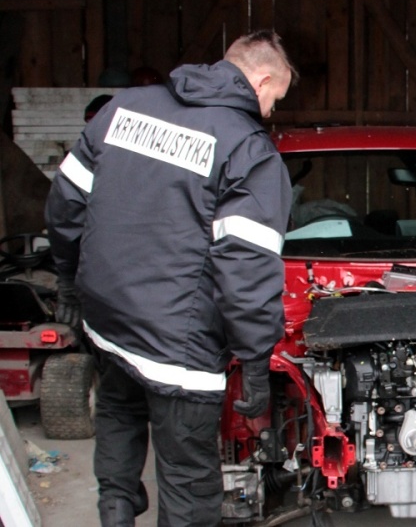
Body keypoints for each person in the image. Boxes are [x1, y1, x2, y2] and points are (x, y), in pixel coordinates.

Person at [45, 30, 297, 526]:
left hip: (109, 322)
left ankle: (116, 511)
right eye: (275, 100)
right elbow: (245, 268)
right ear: (261, 79)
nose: (270, 112)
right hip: (178, 350)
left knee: (118, 415)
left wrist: (69, 280)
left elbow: (66, 205)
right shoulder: (248, 149)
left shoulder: (124, 109)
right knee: (187, 483)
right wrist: (254, 358)